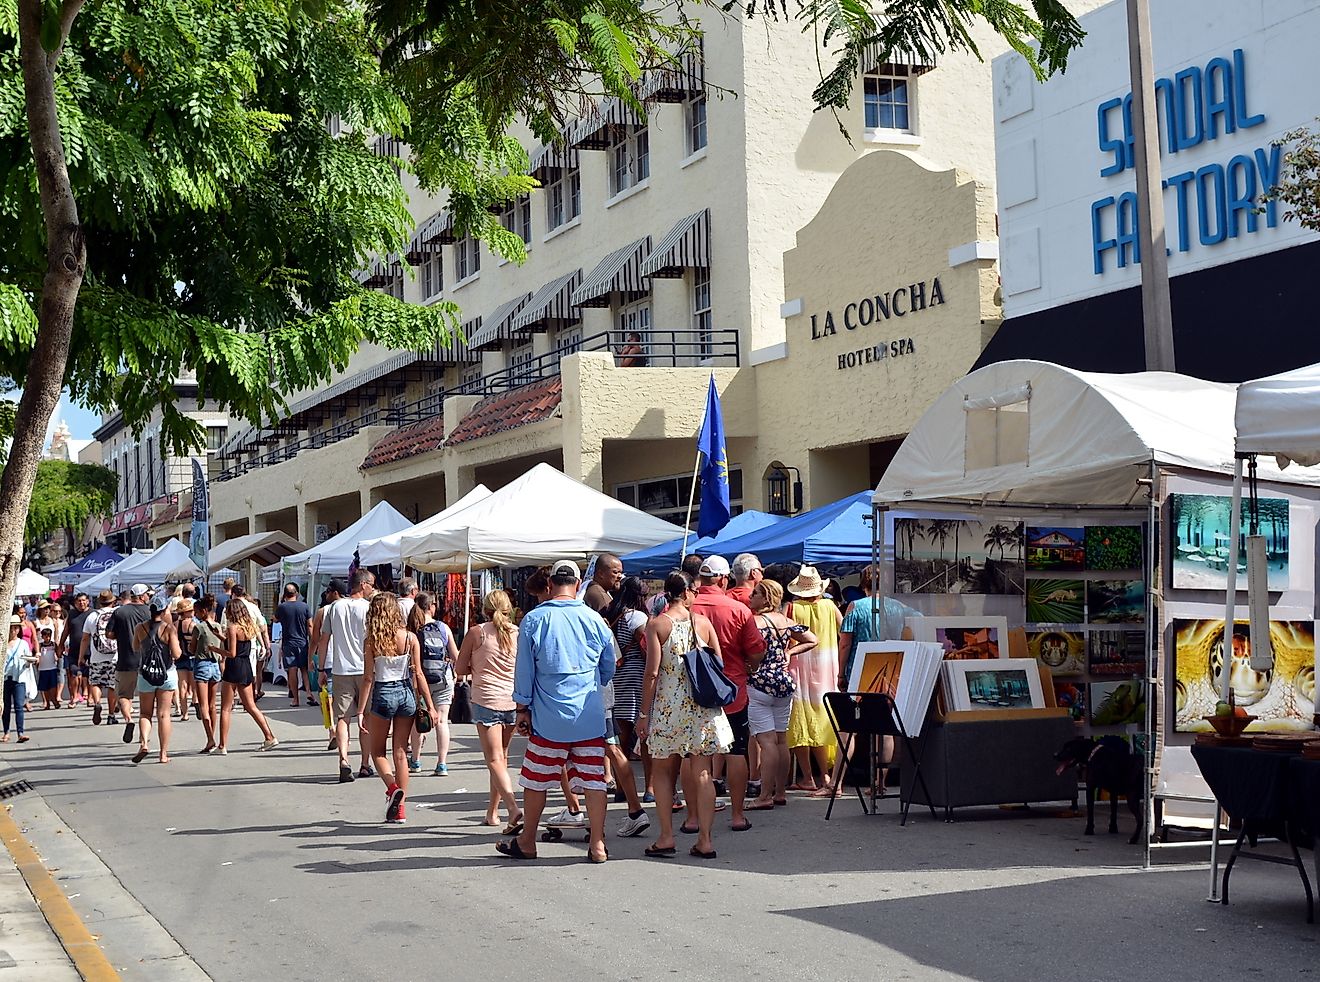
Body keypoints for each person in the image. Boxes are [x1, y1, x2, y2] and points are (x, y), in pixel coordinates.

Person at [497, 560, 615, 863]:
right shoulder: (594, 618)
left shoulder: (535, 619)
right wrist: (594, 680)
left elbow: (524, 669)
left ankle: (527, 841)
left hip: (548, 716)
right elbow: (609, 664)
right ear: (577, 585)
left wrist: (522, 708)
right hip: (588, 713)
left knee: (536, 779)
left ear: (549, 585)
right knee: (593, 780)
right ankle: (598, 844)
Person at [638, 571, 732, 860]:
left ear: (667, 593)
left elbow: (652, 672)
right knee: (702, 772)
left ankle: (666, 836)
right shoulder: (703, 623)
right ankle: (705, 839)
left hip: (669, 706)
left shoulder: (657, 624)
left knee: (664, 771)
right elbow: (719, 662)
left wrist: (644, 713)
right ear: (689, 591)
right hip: (702, 706)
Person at [688, 554, 764, 834]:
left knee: (693, 755)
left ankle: (693, 817)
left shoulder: (685, 607)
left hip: (691, 691)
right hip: (731, 690)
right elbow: (756, 649)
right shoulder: (738, 609)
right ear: (723, 578)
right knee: (736, 751)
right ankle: (736, 814)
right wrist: (750, 666)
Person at [830, 565, 921, 794]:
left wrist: (841, 673)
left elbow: (845, 642)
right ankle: (880, 783)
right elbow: (919, 623)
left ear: (863, 583)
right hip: (891, 672)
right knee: (885, 729)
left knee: (848, 728)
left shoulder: (856, 607)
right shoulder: (900, 608)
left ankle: (836, 783)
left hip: (860, 672)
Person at [363, 592, 437, 825]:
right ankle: (400, 809)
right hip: (406, 694)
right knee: (401, 753)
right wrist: (431, 706)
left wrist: (361, 710)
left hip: (383, 693)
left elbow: (368, 678)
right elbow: (419, 673)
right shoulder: (410, 638)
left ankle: (393, 788)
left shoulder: (372, 640)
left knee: (377, 752)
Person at [746, 579, 816, 810]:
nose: (750, 597)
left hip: (759, 683)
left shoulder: (753, 623)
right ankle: (780, 792)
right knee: (781, 740)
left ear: (766, 598)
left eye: (755, 593)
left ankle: (764, 795)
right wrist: (790, 652)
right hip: (783, 683)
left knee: (766, 742)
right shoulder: (786, 622)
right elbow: (812, 639)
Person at [456, 590, 522, 830]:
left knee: (494, 759)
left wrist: (478, 663)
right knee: (501, 758)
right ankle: (492, 812)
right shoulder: (518, 633)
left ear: (484, 609)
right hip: (513, 701)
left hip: (486, 699)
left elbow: (460, 668)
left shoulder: (477, 632)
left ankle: (513, 807)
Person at [784, 566, 841, 794]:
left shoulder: (792, 608)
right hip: (827, 669)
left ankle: (807, 777)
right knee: (823, 720)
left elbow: (787, 639)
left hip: (799, 668)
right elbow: (843, 628)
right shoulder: (830, 606)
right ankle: (826, 775)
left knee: (799, 722)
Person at [604, 576, 651, 835]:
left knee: (620, 734)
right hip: (637, 676)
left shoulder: (611, 614)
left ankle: (622, 788)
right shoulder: (638, 619)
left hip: (617, 677)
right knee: (644, 734)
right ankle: (649, 789)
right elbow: (646, 647)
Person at [324, 570, 374, 782]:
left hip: (340, 668)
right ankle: (365, 763)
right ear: (362, 585)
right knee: (367, 718)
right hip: (365, 669)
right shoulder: (369, 608)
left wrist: (320, 668)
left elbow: (324, 639)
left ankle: (344, 759)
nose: (372, 588)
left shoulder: (335, 607)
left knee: (343, 718)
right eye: (371, 584)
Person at [218, 596, 278, 754]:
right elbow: (238, 644)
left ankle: (222, 745)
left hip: (233, 666)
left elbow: (231, 652)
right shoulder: (248, 626)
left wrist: (215, 649)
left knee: (225, 708)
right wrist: (219, 637)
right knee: (251, 705)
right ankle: (269, 736)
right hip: (246, 665)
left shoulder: (232, 627)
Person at [407, 593, 456, 776]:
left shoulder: (412, 628)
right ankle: (442, 764)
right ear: (432, 606)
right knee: (442, 721)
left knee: (419, 719)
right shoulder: (443, 628)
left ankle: (416, 761)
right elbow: (456, 655)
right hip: (443, 678)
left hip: (419, 680)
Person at [130, 594, 181, 764]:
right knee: (164, 714)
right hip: (166, 673)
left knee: (145, 713)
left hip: (145, 674)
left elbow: (135, 647)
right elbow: (176, 654)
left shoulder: (140, 628)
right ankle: (163, 753)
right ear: (165, 609)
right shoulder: (169, 629)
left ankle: (144, 742)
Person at [106, 584, 152, 744]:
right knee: (147, 702)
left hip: (126, 659)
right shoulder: (149, 611)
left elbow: (109, 634)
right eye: (148, 594)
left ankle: (128, 719)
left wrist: (122, 634)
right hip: (147, 660)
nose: (149, 597)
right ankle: (144, 738)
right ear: (141, 596)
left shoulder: (119, 611)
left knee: (123, 695)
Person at [190, 595, 225, 753]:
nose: (195, 615)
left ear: (203, 611)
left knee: (203, 705)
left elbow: (192, 648)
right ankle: (213, 736)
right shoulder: (218, 626)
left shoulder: (199, 627)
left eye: (196, 612)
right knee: (213, 705)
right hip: (215, 664)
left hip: (202, 664)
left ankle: (210, 738)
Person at [80, 590, 118, 726]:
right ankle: (111, 715)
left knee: (96, 683)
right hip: (114, 655)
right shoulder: (116, 614)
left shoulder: (92, 616)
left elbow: (85, 638)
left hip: (96, 656)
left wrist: (81, 657)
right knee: (112, 686)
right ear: (112, 601)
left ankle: (97, 703)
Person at [275, 584, 314, 708]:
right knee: (304, 669)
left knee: (292, 669)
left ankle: (295, 699)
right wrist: (313, 640)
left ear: (285, 595)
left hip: (289, 643)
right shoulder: (304, 606)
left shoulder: (282, 607)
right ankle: (309, 693)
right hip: (302, 642)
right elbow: (310, 625)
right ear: (296, 593)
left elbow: (275, 620)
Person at [3, 615, 38, 742]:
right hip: (5, 678)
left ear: (19, 629)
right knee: (6, 706)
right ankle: (6, 732)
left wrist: (31, 661)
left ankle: (20, 732)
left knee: (18, 705)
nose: (13, 631)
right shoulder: (2, 643)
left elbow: (28, 658)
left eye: (16, 628)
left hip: (19, 678)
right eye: (11, 628)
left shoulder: (22, 643)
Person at [60, 592, 90, 707]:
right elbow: (66, 630)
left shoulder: (92, 613)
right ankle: (74, 696)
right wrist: (61, 644)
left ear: (87, 601)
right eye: (79, 601)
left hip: (89, 650)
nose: (81, 603)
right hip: (74, 650)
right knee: (74, 674)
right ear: (75, 602)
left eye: (83, 600)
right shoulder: (71, 614)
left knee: (88, 676)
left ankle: (90, 697)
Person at [172, 598, 197, 722]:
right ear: (186, 612)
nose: (192, 612)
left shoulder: (176, 624)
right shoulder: (193, 624)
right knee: (195, 684)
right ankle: (197, 703)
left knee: (182, 685)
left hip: (180, 656)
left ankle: (184, 713)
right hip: (192, 656)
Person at [36, 626, 59, 709]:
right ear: (42, 636)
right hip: (43, 668)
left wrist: (58, 658)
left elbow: (58, 653)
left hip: (52, 667)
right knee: (44, 687)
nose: (47, 637)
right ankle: (47, 702)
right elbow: (37, 655)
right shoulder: (40, 645)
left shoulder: (53, 644)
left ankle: (54, 699)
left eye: (49, 636)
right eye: (45, 636)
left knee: (53, 686)